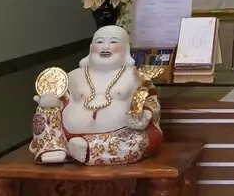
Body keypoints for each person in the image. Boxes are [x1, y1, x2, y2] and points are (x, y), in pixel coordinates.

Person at [30, 25, 162, 166]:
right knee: (45, 109)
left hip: (118, 137)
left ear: (126, 48)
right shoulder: (73, 76)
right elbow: (62, 101)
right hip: (67, 135)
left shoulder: (136, 76)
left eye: (113, 42)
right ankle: (53, 147)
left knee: (137, 143)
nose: (105, 47)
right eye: (99, 42)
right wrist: (51, 101)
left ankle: (87, 148)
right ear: (91, 47)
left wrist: (146, 114)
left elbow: (150, 100)